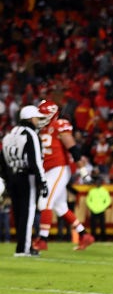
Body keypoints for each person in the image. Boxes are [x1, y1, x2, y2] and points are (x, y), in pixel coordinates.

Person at [32, 100, 95, 251]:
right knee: (61, 207)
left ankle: (42, 239)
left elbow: (73, 148)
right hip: (47, 170)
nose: (40, 118)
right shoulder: (40, 130)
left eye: (43, 115)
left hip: (58, 168)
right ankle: (84, 235)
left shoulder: (59, 125)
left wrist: (83, 170)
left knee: (44, 202)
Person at [1, 106, 48, 256]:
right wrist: (43, 181)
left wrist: (6, 180)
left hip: (12, 176)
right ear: (30, 118)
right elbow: (35, 161)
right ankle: (23, 248)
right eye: (37, 118)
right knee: (27, 214)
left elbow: (2, 160)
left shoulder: (9, 134)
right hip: (27, 177)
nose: (38, 121)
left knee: (18, 213)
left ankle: (21, 245)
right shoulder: (31, 134)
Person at [86, 175, 111, 241]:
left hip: (101, 210)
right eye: (96, 182)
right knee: (93, 225)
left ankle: (103, 238)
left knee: (102, 225)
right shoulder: (92, 191)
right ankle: (93, 237)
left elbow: (108, 200)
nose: (97, 183)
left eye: (98, 182)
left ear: (100, 183)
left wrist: (103, 207)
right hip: (93, 210)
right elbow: (88, 200)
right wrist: (91, 207)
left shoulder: (104, 191)